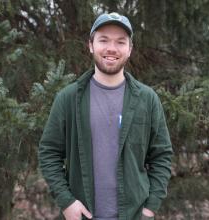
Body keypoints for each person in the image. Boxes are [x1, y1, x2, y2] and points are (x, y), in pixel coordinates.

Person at [39, 12, 173, 220]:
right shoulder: (68, 99)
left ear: (130, 49)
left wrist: (150, 209)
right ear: (91, 45)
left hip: (134, 215)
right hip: (82, 215)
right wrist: (66, 201)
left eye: (120, 42)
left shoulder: (147, 100)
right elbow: (49, 152)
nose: (112, 48)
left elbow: (161, 156)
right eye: (104, 40)